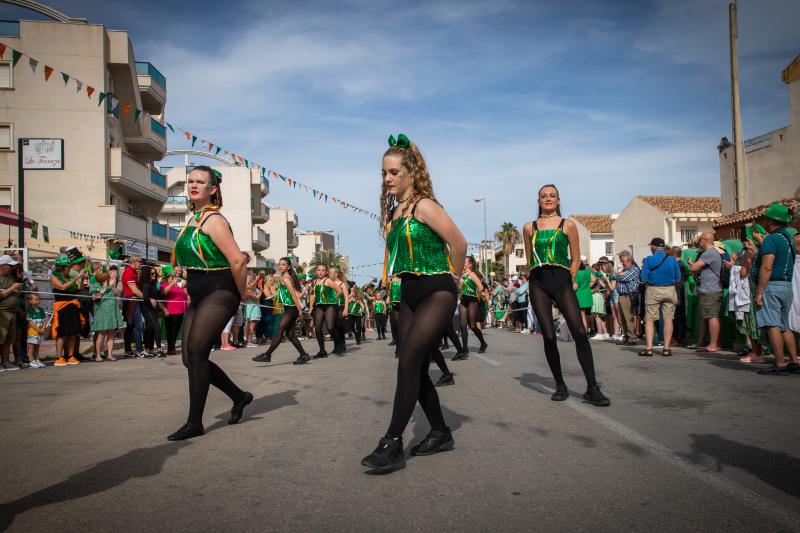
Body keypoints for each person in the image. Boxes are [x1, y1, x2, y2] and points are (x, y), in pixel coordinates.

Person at [361, 133, 467, 474]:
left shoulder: (424, 205)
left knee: (408, 362)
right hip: (407, 292)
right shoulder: (395, 212)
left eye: (393, 172)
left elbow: (460, 243)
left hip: (436, 290)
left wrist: (453, 278)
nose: (387, 179)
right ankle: (440, 430)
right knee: (415, 367)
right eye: (383, 173)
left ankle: (392, 441)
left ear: (410, 172)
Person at [167, 166, 253, 441]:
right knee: (189, 358)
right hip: (200, 290)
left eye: (200, 182)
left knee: (196, 352)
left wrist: (241, 293)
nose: (193, 185)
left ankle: (195, 423)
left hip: (220, 289)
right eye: (190, 181)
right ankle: (239, 397)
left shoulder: (214, 220)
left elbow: (238, 260)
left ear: (212, 189)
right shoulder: (194, 219)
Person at [522, 184, 610, 406]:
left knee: (579, 331)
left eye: (552, 196)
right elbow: (530, 260)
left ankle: (592, 388)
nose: (548, 199)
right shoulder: (528, 227)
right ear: (539, 201)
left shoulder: (568, 225)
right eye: (544, 196)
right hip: (538, 282)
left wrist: (570, 278)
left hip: (561, 281)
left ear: (558, 200)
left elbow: (576, 258)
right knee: (549, 336)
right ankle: (560, 385)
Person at [751, 204, 798, 375]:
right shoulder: (788, 239)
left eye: (766, 218)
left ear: (771, 220)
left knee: (772, 324)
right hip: (787, 285)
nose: (764, 220)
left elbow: (767, 267)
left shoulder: (772, 239)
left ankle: (780, 363)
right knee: (784, 325)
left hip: (772, 285)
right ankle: (793, 361)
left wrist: (760, 292)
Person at [253, 257, 309, 364]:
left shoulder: (286, 278)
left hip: (292, 309)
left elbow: (293, 295)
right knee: (290, 334)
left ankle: (267, 355)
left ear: (288, 267)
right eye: (279, 264)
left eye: (283, 265)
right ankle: (303, 355)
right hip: (288, 308)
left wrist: (299, 310)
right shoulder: (284, 277)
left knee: (279, 331)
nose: (280, 266)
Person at [638, 238, 681, 356]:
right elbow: (678, 277)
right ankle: (666, 349)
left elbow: (644, 278)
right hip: (670, 290)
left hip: (653, 289)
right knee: (668, 318)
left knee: (650, 319)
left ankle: (649, 348)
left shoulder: (649, 259)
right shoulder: (672, 259)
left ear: (653, 247)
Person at [49, 254, 85, 367]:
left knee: (73, 333)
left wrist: (82, 279)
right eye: (68, 267)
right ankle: (59, 357)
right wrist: (76, 278)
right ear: (63, 267)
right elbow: (62, 287)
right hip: (62, 307)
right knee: (62, 333)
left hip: (72, 306)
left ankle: (70, 355)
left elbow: (79, 288)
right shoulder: (54, 276)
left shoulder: (69, 277)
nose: (69, 269)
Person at [90, 265, 124, 361]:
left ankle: (109, 354)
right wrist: (104, 288)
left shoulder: (111, 283)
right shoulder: (95, 285)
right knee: (101, 334)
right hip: (101, 312)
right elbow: (94, 297)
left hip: (113, 311)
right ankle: (98, 355)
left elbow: (118, 293)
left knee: (111, 334)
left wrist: (112, 286)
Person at [309, 264, 343, 358]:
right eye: (319, 270)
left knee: (330, 327)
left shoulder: (328, 281)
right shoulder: (314, 281)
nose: (320, 272)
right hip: (319, 306)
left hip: (330, 306)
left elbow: (339, 291)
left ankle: (340, 343)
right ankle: (322, 351)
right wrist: (311, 307)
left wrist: (333, 299)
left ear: (326, 272)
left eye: (323, 270)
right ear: (316, 271)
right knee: (318, 328)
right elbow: (313, 295)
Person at [458, 256, 488, 354]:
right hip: (463, 301)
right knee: (462, 325)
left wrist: (478, 296)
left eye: (464, 262)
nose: (462, 263)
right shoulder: (462, 275)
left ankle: (483, 343)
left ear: (469, 264)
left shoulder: (472, 274)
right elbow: (459, 288)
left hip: (472, 301)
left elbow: (480, 287)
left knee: (472, 325)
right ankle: (465, 349)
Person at [0, 255, 23, 371]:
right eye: (9, 266)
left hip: (12, 312)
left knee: (9, 339)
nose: (11, 268)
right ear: (2, 266)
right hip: (2, 312)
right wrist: (13, 287)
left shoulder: (10, 276)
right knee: (1, 337)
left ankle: (6, 361)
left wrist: (16, 290)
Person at [161, 265, 189, 355]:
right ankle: (171, 348)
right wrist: (172, 283)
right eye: (172, 276)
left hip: (180, 311)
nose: (175, 277)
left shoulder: (178, 286)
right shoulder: (164, 284)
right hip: (171, 310)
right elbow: (164, 292)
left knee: (176, 330)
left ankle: (172, 347)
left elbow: (184, 295)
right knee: (171, 330)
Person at [121, 255, 145, 357]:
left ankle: (128, 350)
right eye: (140, 261)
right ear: (134, 261)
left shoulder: (133, 271)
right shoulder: (129, 272)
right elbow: (134, 290)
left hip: (134, 301)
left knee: (130, 326)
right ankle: (139, 349)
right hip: (132, 301)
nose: (141, 263)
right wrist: (147, 298)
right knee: (138, 326)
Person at [616, 250, 641, 346]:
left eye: (622, 259)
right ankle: (626, 336)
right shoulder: (624, 270)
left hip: (627, 296)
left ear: (627, 259)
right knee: (621, 318)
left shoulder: (634, 269)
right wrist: (618, 275)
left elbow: (623, 278)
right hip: (621, 295)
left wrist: (618, 276)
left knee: (627, 317)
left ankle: (632, 338)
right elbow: (614, 277)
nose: (621, 262)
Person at [140, 265, 165, 357]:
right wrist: (151, 299)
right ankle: (158, 349)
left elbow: (160, 296)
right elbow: (145, 297)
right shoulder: (146, 284)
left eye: (155, 273)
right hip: (147, 309)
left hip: (153, 310)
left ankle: (149, 348)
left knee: (150, 329)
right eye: (152, 274)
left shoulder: (153, 284)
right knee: (157, 327)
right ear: (147, 274)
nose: (154, 275)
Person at [329, 266, 350, 354]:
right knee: (333, 327)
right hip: (331, 308)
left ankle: (342, 344)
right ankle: (336, 345)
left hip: (340, 307)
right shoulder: (329, 283)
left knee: (339, 326)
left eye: (330, 273)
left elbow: (346, 297)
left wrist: (346, 309)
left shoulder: (342, 284)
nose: (329, 274)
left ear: (336, 274)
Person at [25, 293, 46, 368]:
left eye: (39, 299)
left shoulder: (41, 310)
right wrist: (38, 329)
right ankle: (31, 361)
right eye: (36, 299)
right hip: (32, 332)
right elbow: (30, 322)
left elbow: (44, 321)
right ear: (30, 301)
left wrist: (43, 329)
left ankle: (37, 360)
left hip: (40, 332)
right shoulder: (29, 310)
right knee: (31, 347)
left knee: (37, 346)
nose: (39, 301)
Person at [243, 268, 262, 347]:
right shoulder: (247, 289)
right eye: (251, 278)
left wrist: (258, 293)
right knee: (250, 325)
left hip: (255, 307)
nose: (252, 279)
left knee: (252, 325)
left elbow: (257, 297)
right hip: (251, 307)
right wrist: (256, 295)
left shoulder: (254, 289)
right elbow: (256, 299)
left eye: (253, 278)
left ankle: (248, 340)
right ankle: (249, 341)